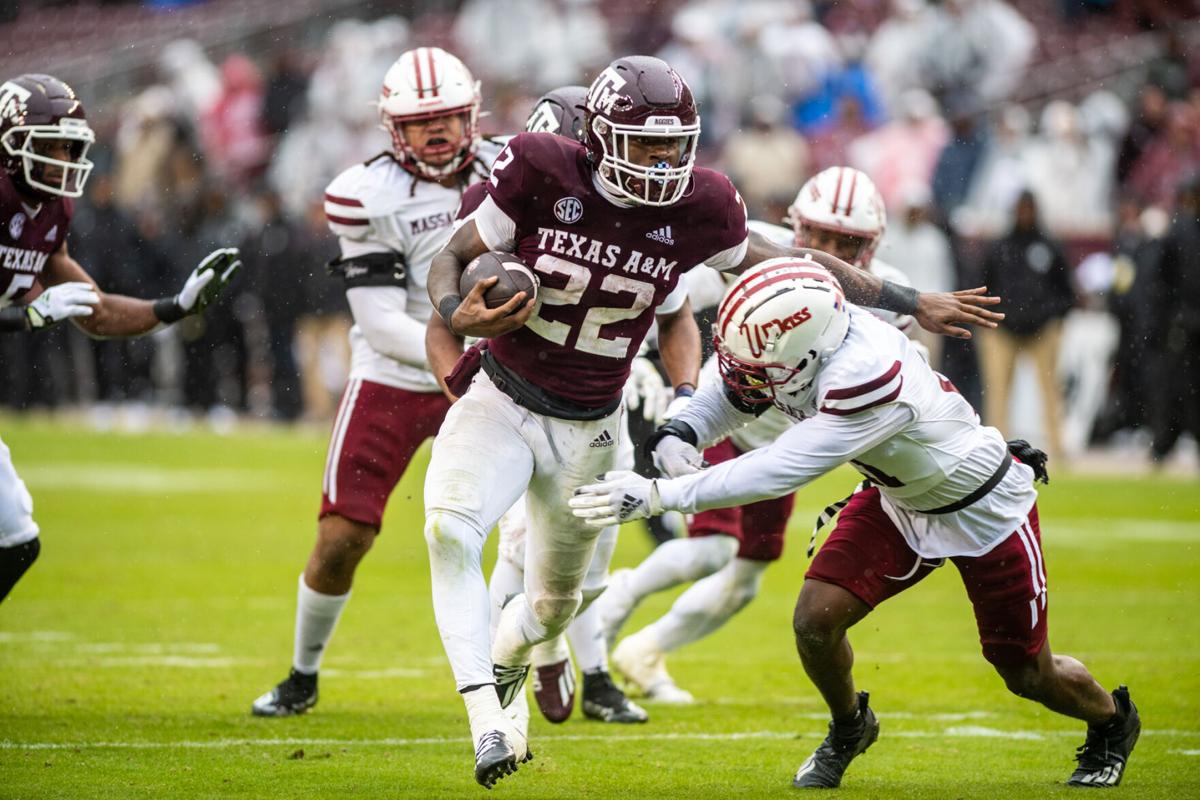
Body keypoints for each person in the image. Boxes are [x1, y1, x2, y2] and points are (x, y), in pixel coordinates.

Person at [422, 54, 1004, 787]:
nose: (665, 161)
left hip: (590, 429)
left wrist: (908, 300)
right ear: (599, 136)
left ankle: (512, 659)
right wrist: (455, 312)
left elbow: (799, 262)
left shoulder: (702, 208)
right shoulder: (541, 167)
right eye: (647, 143)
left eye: (676, 143)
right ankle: (486, 722)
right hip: (503, 396)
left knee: (551, 606)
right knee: (449, 527)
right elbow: (451, 257)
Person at [570, 259, 1139, 790]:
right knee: (814, 620)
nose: (744, 375)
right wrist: (682, 431)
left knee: (1026, 673)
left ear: (807, 355)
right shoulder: (807, 340)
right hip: (897, 498)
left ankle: (1113, 721)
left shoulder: (865, 374)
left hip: (983, 507)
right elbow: (732, 389)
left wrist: (656, 495)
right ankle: (850, 726)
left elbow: (779, 468)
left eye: (758, 366)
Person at [597, 167, 919, 704]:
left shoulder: (886, 296)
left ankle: (645, 650)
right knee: (712, 551)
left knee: (744, 578)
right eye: (816, 236)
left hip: (786, 442)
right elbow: (666, 295)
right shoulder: (747, 249)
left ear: (872, 246)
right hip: (725, 407)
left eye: (846, 242)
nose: (826, 250)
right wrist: (638, 361)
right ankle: (607, 613)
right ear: (794, 224)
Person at [249, 47, 506, 717]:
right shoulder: (368, 193)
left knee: (545, 526)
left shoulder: (514, 169)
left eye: (450, 117)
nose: (439, 131)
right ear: (393, 127)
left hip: (492, 372)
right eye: (423, 121)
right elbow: (377, 317)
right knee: (343, 536)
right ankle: (302, 675)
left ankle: (583, 673)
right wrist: (460, 347)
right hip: (397, 372)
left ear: (472, 114)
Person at [428, 85, 654, 727]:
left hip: (600, 406)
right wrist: (464, 384)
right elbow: (444, 307)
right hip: (515, 396)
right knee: (509, 543)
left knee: (581, 577)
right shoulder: (513, 193)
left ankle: (551, 644)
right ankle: (509, 708)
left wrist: (684, 388)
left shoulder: (644, 210)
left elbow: (677, 310)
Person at [0, 73, 240, 604]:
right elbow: (39, 310)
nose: (64, 159)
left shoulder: (48, 213)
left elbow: (97, 310)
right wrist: (28, 318)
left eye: (70, 146)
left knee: (15, 541)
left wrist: (173, 307)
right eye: (51, 147)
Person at [977, 190, 1075, 462]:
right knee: (997, 392)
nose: (1024, 214)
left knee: (1051, 391)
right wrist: (991, 317)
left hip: (1043, 330)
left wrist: (1051, 317)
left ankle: (1059, 449)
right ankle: (996, 451)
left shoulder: (1049, 246)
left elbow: (1067, 292)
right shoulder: (999, 247)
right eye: (1020, 209)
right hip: (1002, 330)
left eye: (1028, 209)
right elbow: (981, 286)